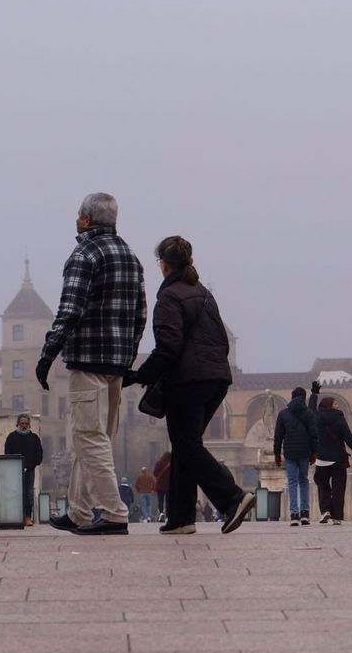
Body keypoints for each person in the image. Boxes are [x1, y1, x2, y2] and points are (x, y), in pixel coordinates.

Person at [127, 236, 257, 535]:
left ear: (163, 263)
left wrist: (140, 375)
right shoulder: (204, 294)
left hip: (188, 382)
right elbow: (222, 341)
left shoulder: (169, 296)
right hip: (217, 380)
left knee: (186, 444)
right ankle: (181, 517)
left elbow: (168, 345)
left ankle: (233, 497)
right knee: (185, 446)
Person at [36, 192, 147, 536]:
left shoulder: (84, 253)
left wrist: (47, 354)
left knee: (88, 437)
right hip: (116, 364)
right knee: (94, 439)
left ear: (85, 219)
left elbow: (69, 310)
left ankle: (114, 513)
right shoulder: (131, 256)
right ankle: (80, 511)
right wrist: (128, 358)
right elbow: (140, 315)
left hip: (88, 360)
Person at [313, 394, 352, 524]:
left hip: (322, 459)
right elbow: (349, 439)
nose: (338, 405)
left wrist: (313, 394)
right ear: (330, 406)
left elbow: (311, 409)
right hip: (338, 459)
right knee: (339, 488)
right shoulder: (340, 419)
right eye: (335, 404)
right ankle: (337, 517)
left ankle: (325, 511)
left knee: (323, 486)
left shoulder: (317, 418)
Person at [273, 386, 319, 525]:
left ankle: (294, 514)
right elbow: (314, 435)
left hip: (290, 452)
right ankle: (305, 513)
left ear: (292, 397)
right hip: (304, 452)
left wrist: (277, 453)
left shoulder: (283, 414)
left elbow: (278, 436)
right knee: (303, 480)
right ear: (304, 398)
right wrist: (314, 452)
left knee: (292, 482)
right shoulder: (309, 414)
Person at [3, 412, 43, 527]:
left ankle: (27, 517)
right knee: (15, 494)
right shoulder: (11, 437)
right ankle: (16, 516)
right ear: (18, 424)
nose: (24, 425)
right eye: (22, 423)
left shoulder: (34, 438)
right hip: (14, 471)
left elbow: (39, 453)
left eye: (26, 423)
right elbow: (7, 453)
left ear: (29, 424)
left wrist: (34, 463)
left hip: (30, 470)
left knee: (29, 494)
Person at [153, 452, 171, 525]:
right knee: (168, 501)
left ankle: (161, 513)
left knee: (160, 500)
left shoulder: (159, 463)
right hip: (169, 486)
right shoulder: (172, 463)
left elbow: (155, 473)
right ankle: (168, 516)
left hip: (160, 485)